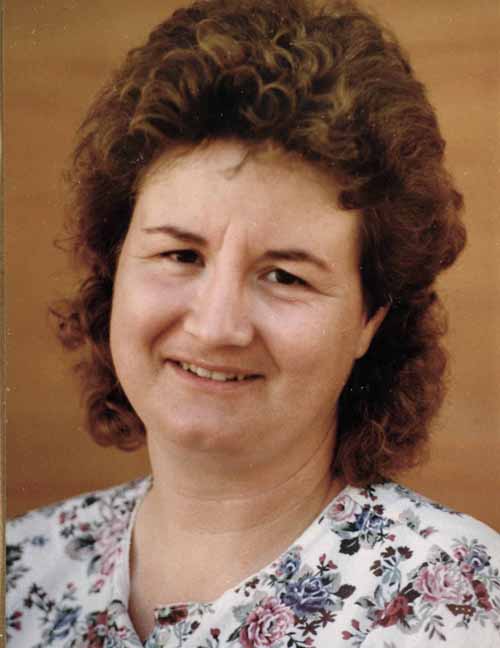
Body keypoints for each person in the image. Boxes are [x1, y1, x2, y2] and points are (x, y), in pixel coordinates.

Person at [6, 0, 500, 646]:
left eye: (285, 276)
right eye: (181, 255)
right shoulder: (21, 567)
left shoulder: (457, 601)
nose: (216, 326)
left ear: (370, 319)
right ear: (114, 267)